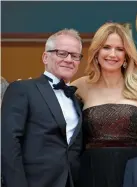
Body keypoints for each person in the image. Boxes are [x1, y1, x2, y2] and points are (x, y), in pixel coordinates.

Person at [71, 22, 137, 187]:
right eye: (106, 47)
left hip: (134, 169)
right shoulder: (79, 87)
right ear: (96, 51)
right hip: (91, 171)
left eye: (120, 49)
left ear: (126, 55)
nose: (112, 54)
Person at [1, 29, 84, 187]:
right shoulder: (22, 89)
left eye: (74, 55)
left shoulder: (77, 100)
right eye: (61, 53)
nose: (69, 59)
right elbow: (8, 145)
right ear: (45, 57)